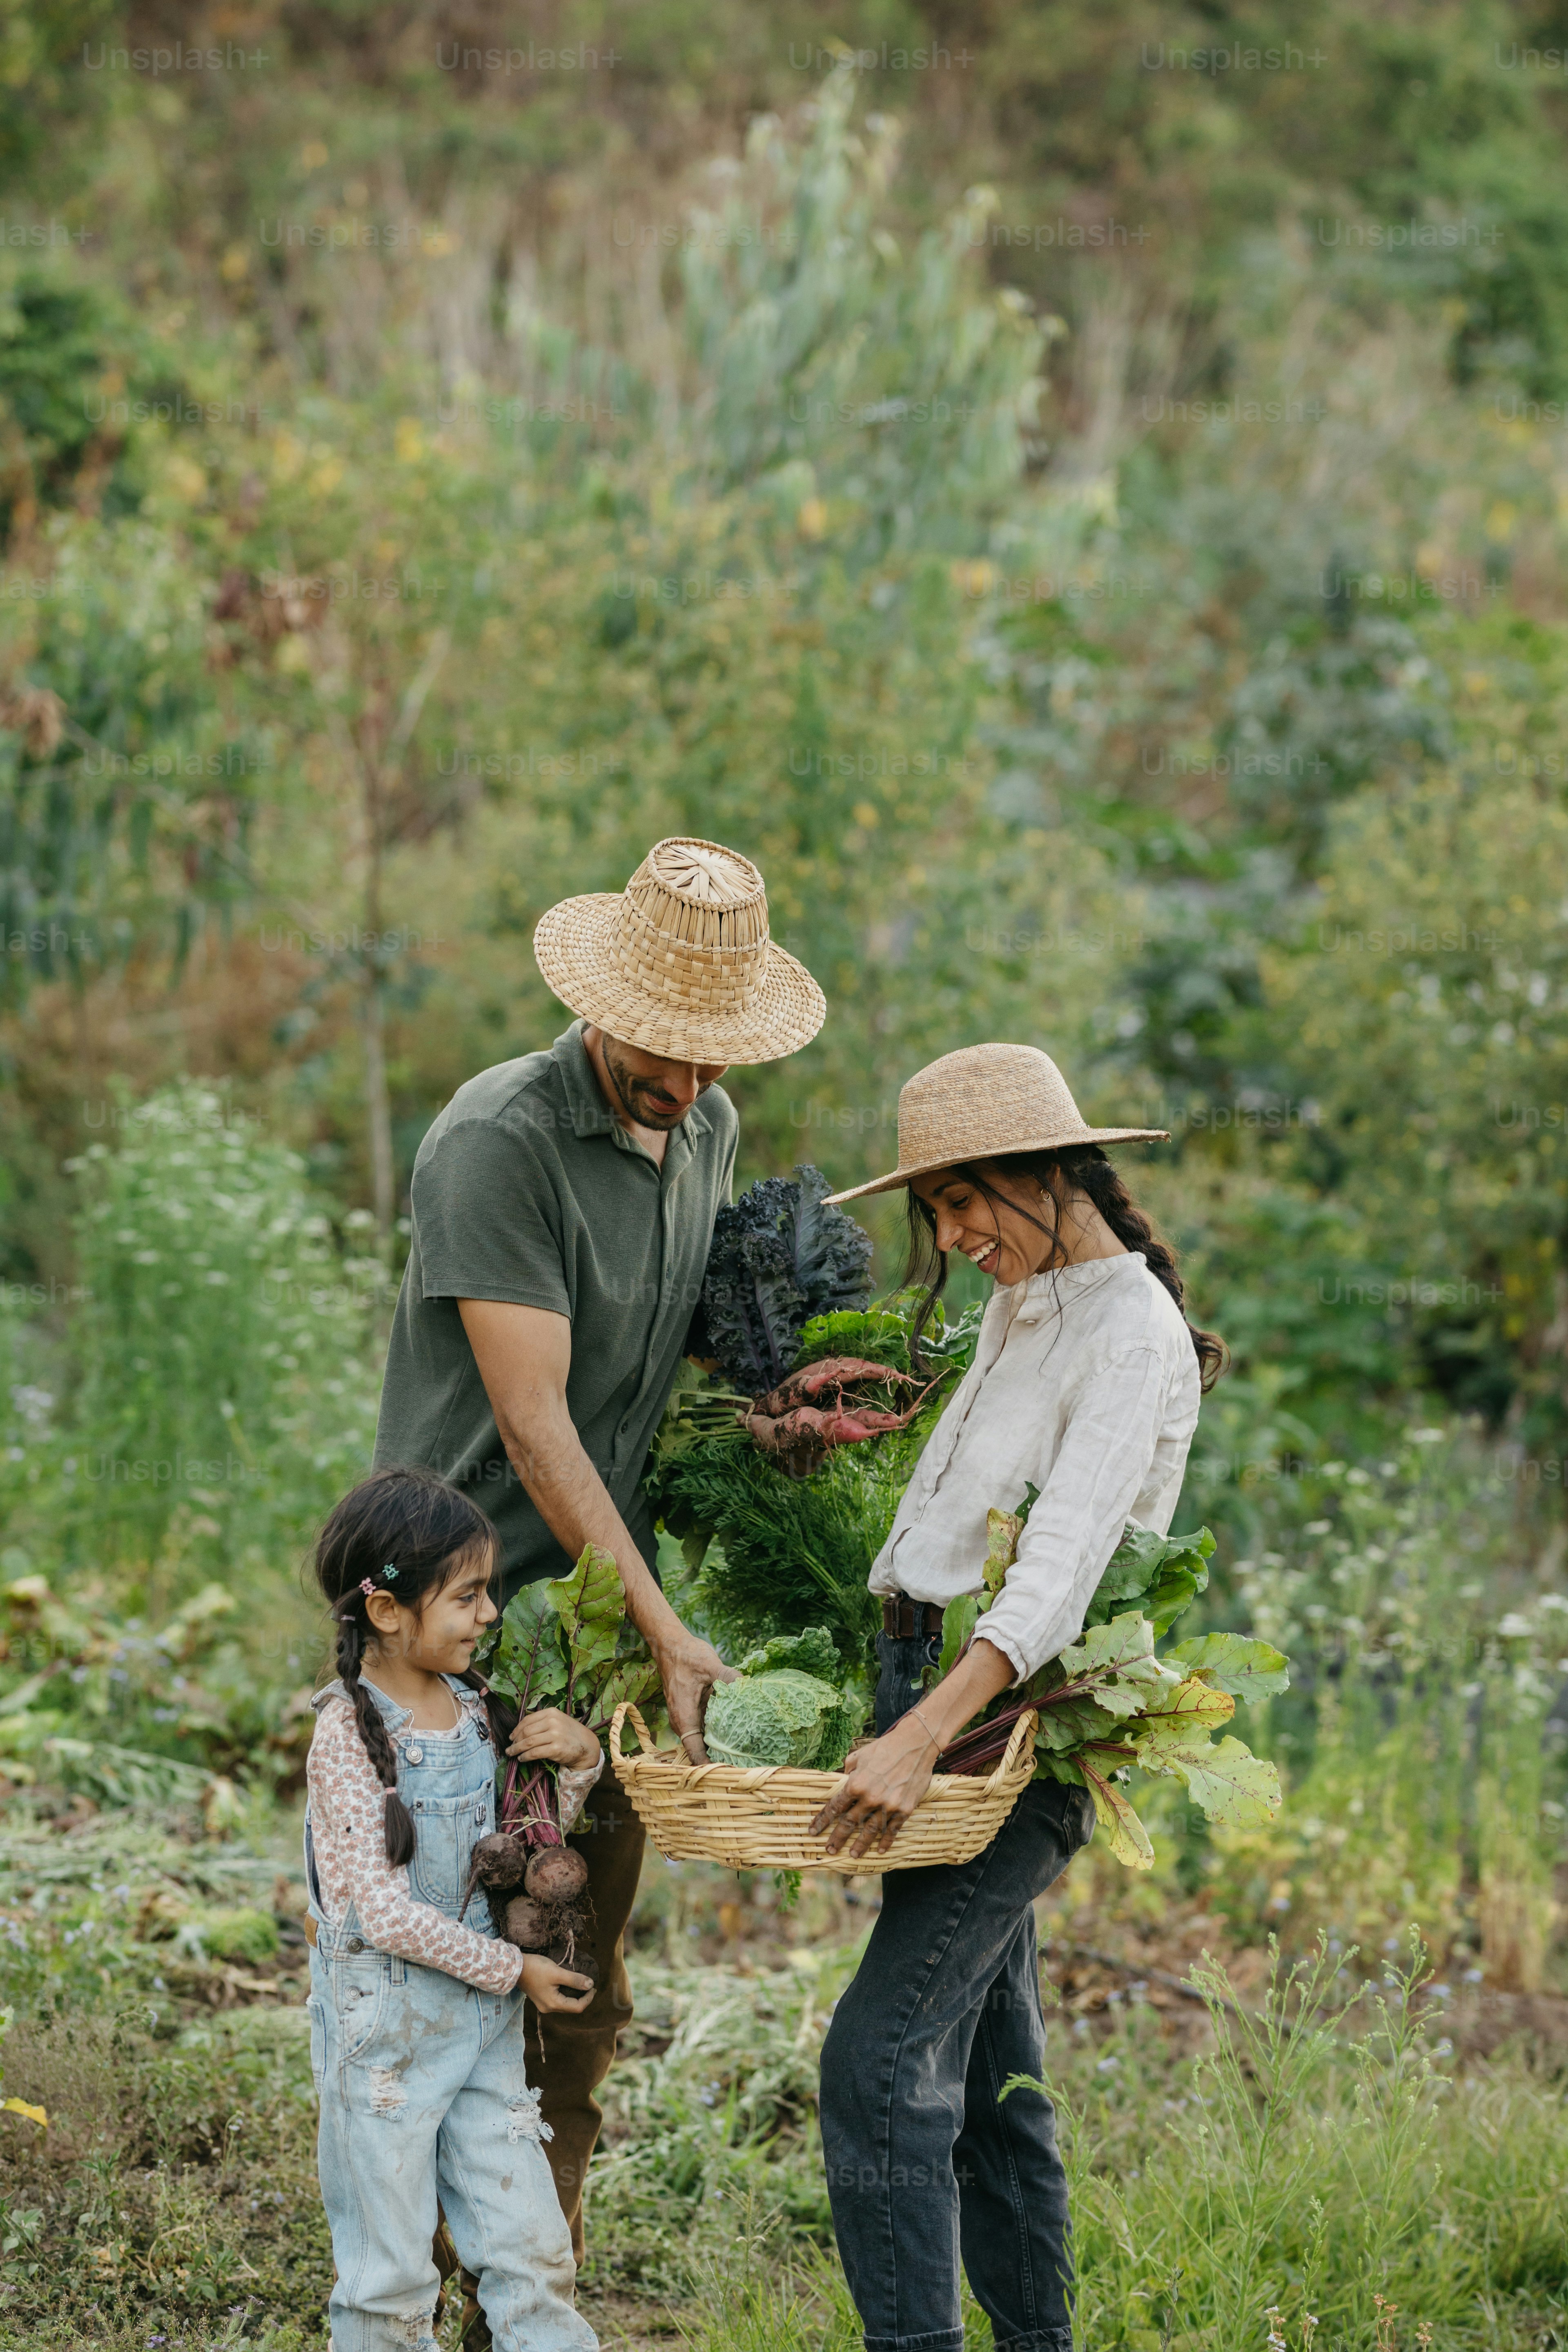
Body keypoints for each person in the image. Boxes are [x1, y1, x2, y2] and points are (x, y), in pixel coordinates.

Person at [371, 836, 825, 2296]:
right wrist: (663, 1617)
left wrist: (773, 1397)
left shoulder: (706, 1128)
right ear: (602, 1000)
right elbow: (535, 1414)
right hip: (463, 1620)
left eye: (712, 1062)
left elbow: (664, 1340)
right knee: (458, 1966)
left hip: (599, 1627)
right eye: (664, 1056)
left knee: (579, 1975)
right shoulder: (498, 1140)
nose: (685, 1087)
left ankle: (524, 2289)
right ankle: (414, 2282)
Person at [809, 1041, 1225, 2352]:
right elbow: (964, 1521)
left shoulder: (1132, 1333)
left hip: (1002, 1735)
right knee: (996, 2093)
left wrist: (921, 1741)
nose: (954, 1234)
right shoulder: (1028, 1302)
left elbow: (1057, 1572)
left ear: (1050, 1170)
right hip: (932, 1700)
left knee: (876, 2075)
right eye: (935, 1212)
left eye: (969, 1199)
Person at [303, 1465, 605, 2352]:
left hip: (482, 2032)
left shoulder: (480, 1711)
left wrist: (578, 1764)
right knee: (390, 2272)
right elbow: (385, 1918)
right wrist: (517, 1968)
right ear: (390, 1613)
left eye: (489, 1592)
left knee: (530, 2248)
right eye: (468, 1595)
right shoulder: (344, 1737)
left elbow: (525, 1850)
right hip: (385, 2037)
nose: (489, 1614)